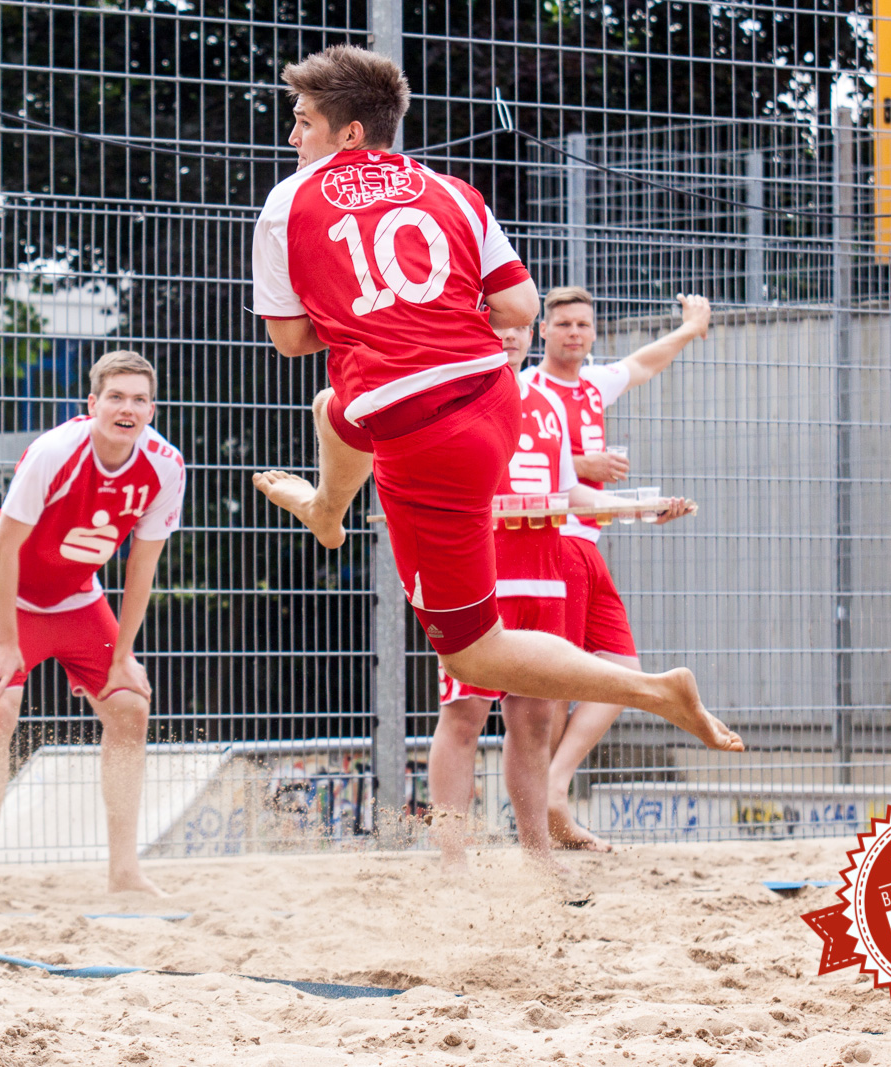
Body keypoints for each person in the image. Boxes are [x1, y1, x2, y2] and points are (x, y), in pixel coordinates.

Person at [249, 44, 742, 754]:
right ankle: (328, 512)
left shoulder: (288, 201)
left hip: (424, 431)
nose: (292, 136)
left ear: (349, 132)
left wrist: (363, 316)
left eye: (302, 121)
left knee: (472, 653)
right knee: (336, 408)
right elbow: (520, 306)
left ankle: (654, 689)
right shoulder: (450, 190)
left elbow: (291, 339)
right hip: (493, 395)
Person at [428, 321, 693, 871]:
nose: (508, 336)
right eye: (495, 324)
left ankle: (538, 859)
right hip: (481, 577)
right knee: (464, 714)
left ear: (530, 333)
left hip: (545, 576)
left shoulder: (546, 400)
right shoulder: (450, 391)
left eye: (517, 327)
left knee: (535, 721)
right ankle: (450, 861)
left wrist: (640, 508)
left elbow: (568, 491)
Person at [0, 350, 185, 898]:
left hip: (75, 598)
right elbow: (7, 545)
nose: (126, 408)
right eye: (115, 397)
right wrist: (8, 643)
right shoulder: (55, 452)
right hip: (2, 589)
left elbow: (143, 564)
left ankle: (124, 871)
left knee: (131, 707)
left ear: (151, 410)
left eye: (138, 399)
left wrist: (123, 653)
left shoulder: (165, 466)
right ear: (93, 404)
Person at [523, 286, 711, 850]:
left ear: (594, 331)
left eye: (583, 324)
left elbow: (644, 363)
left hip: (586, 542)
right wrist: (586, 463)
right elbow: (520, 461)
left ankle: (552, 793)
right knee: (552, 687)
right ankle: (544, 811)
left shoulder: (592, 385)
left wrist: (688, 328)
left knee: (619, 668)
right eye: (564, 325)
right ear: (544, 332)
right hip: (549, 540)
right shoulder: (527, 388)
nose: (575, 333)